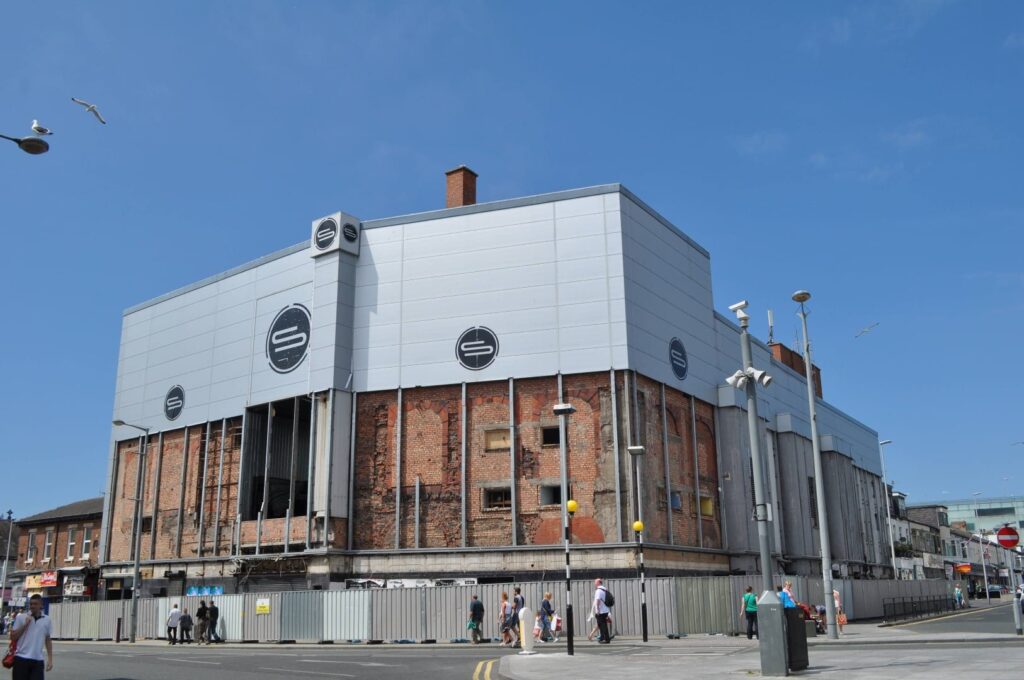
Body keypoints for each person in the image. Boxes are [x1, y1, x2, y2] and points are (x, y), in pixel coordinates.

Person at [9, 594, 54, 680]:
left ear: (41, 605)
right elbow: (13, 637)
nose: (32, 606)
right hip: (21, 659)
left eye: (35, 604)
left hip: (37, 660)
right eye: (31, 604)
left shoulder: (47, 620)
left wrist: (50, 659)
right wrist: (25, 625)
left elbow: (48, 639)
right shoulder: (21, 618)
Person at [593, 578, 611, 644]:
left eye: (595, 582)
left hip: (601, 611)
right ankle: (602, 638)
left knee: (603, 625)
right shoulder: (605, 589)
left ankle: (606, 639)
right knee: (601, 625)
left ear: (598, 583)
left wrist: (597, 609)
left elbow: (597, 600)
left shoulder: (598, 591)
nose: (594, 583)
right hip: (605, 610)